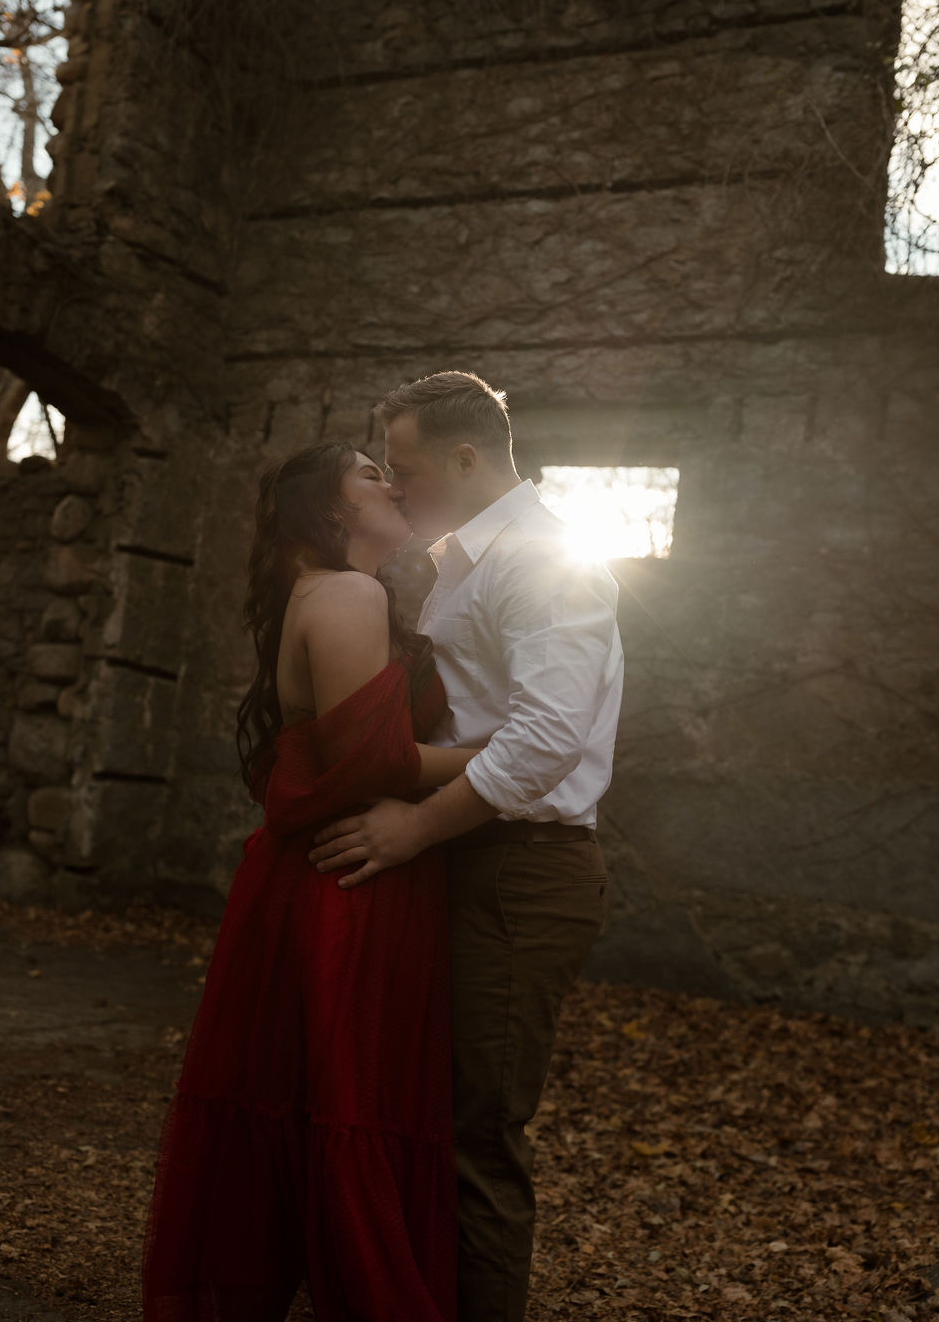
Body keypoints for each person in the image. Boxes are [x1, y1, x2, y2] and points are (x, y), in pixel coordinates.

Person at [142, 442, 482, 1322]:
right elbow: (372, 761)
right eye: (371, 474)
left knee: (316, 1103)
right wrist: (504, 756)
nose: (393, 483)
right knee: (347, 1100)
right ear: (327, 511)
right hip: (352, 881)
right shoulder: (348, 592)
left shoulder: (338, 592)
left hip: (331, 875)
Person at [309, 372, 623, 1322]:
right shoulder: (466, 558)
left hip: (521, 872)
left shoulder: (539, 558)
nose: (396, 489)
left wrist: (412, 825)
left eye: (404, 469)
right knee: (428, 1116)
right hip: (472, 859)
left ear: (465, 458)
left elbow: (545, 739)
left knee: (476, 1140)